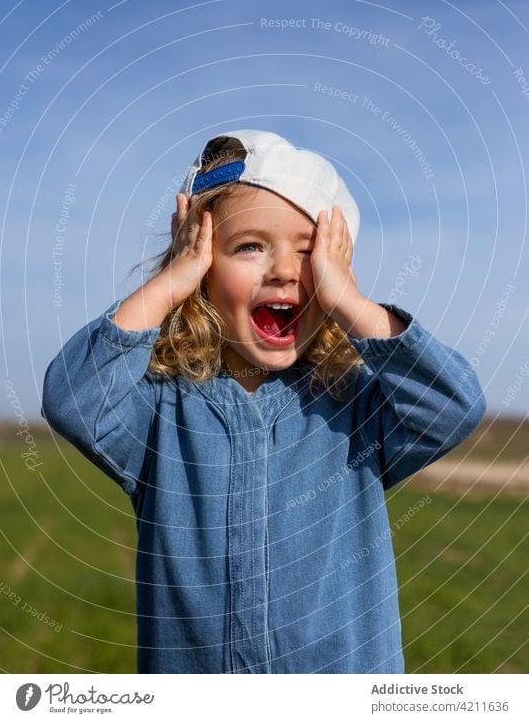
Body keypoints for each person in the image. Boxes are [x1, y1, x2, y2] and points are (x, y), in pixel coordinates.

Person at [41, 130, 486, 674]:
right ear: (200, 267)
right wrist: (168, 281)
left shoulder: (352, 407)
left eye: (309, 253)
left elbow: (453, 405)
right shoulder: (160, 411)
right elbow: (73, 399)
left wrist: (347, 298)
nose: (282, 270)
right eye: (250, 246)